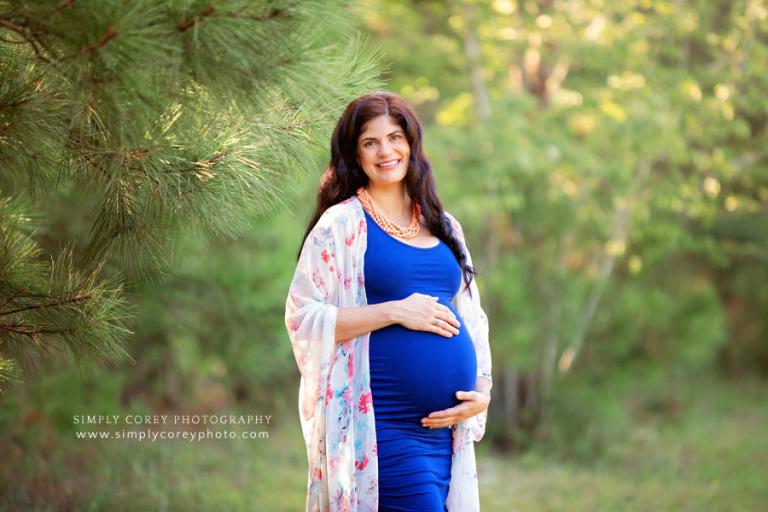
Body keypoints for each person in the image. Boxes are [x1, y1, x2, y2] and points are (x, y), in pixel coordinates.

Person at [285, 91, 493, 512]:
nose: (386, 151)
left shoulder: (443, 224)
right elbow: (302, 317)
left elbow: (473, 317)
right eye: (370, 142)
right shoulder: (341, 224)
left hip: (444, 435)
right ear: (354, 154)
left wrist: (483, 390)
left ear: (412, 144)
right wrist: (396, 310)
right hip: (381, 429)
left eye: (395, 137)